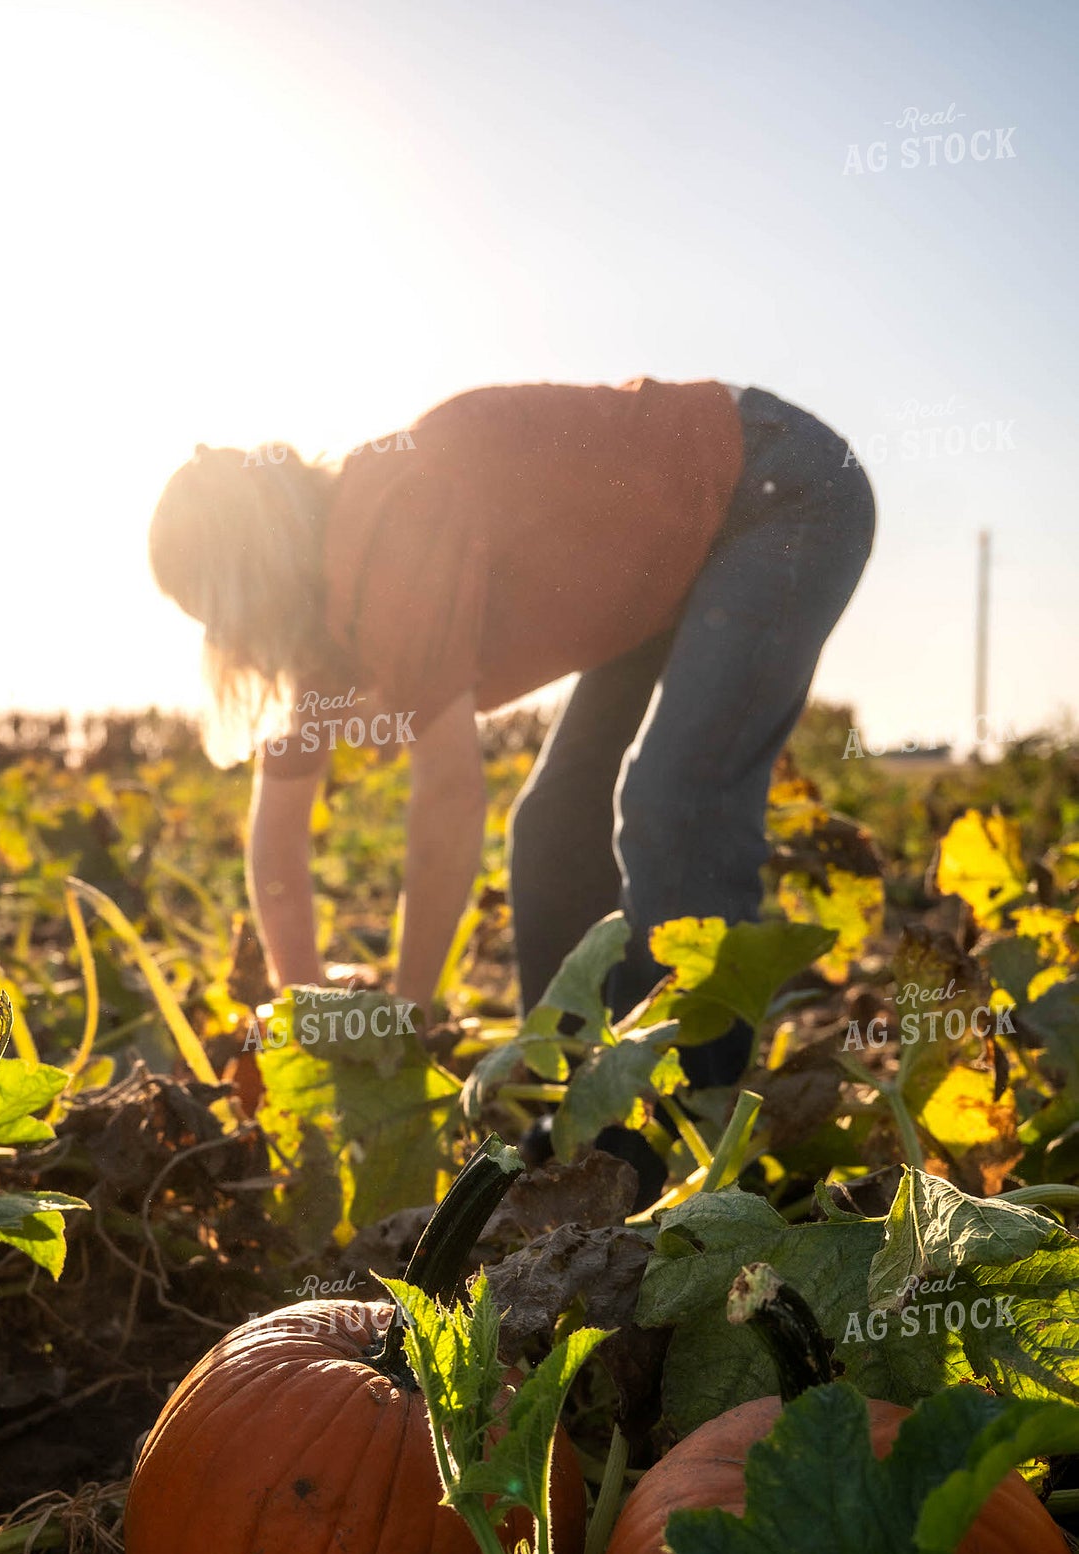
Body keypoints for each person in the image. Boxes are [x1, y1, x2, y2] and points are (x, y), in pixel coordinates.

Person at [148, 379, 875, 1124]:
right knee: (555, 825)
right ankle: (576, 1104)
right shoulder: (332, 612)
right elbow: (277, 829)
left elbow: (450, 797)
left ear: (255, 582)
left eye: (221, 616)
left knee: (676, 802)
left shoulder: (393, 522)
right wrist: (304, 1014)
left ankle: (687, 1112)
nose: (233, 643)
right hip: (678, 556)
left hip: (781, 491)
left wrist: (406, 1016)